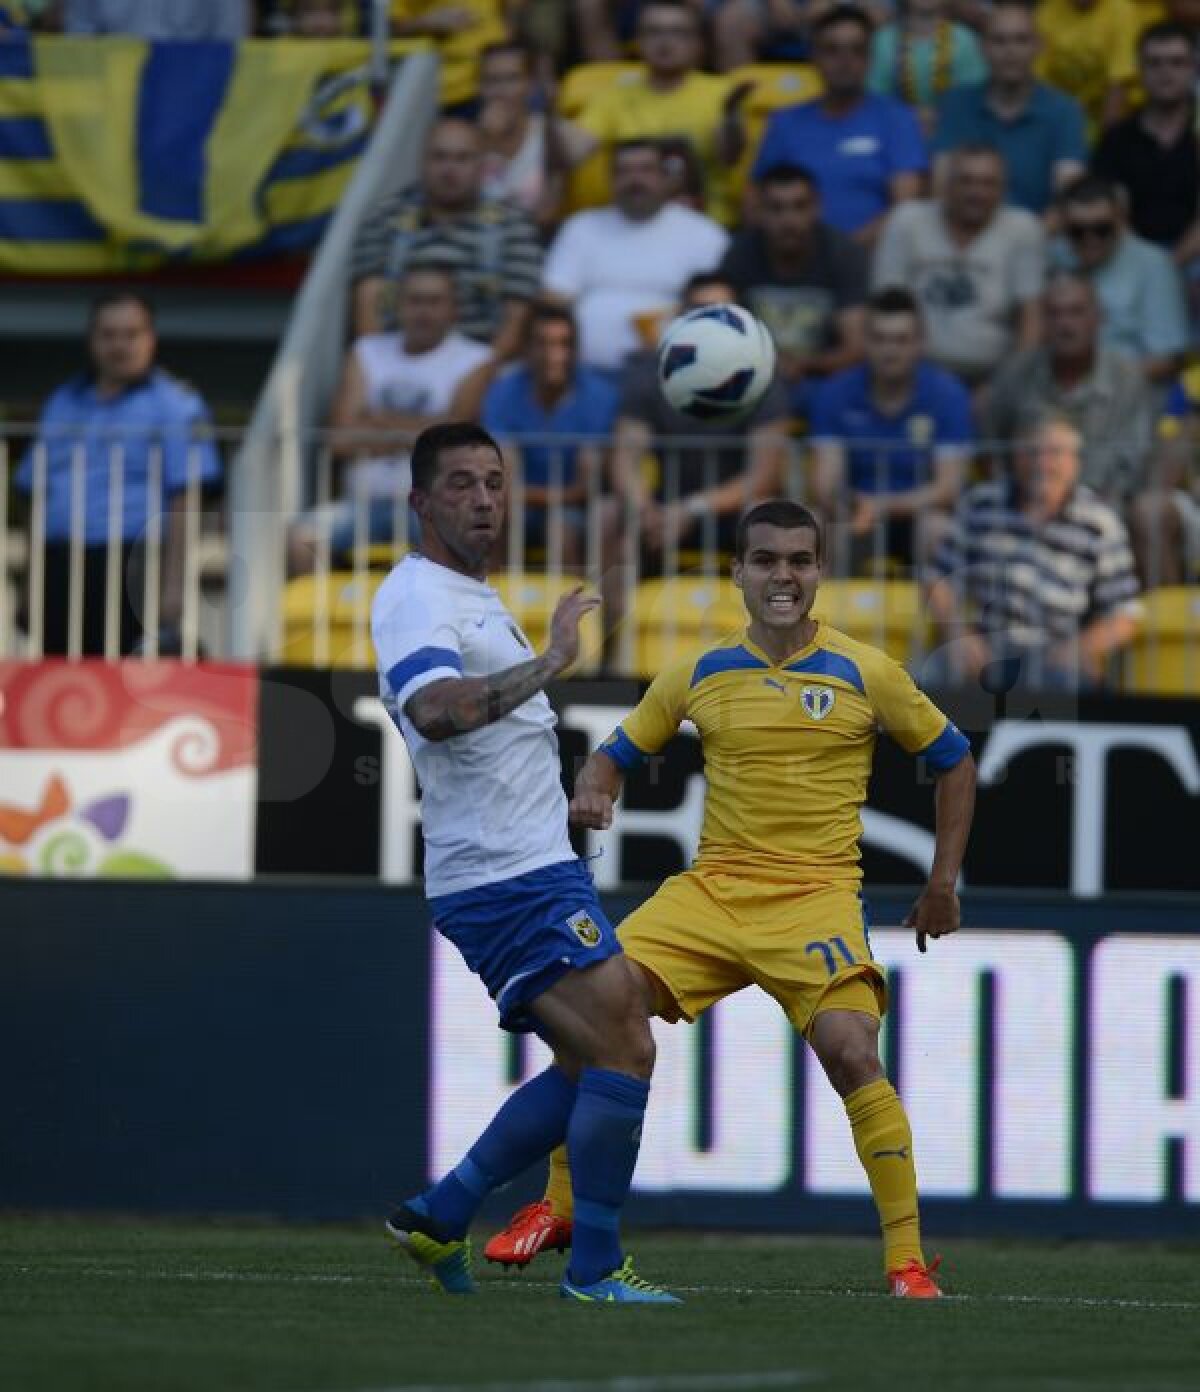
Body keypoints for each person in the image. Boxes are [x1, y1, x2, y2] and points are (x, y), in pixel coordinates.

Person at [484, 496, 977, 1300]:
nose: (784, 576)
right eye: (767, 561)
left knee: (853, 1051)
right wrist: (593, 787)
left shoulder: (867, 670)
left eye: (800, 561)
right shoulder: (700, 672)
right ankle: (562, 1206)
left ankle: (907, 1261)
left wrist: (942, 883)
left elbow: (955, 761)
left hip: (814, 897)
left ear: (820, 571)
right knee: (594, 1013)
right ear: (737, 573)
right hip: (712, 892)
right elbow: (614, 754)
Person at [370, 421, 678, 1305]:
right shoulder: (418, 598)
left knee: (595, 1057)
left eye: (495, 482)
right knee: (625, 1038)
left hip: (533, 863)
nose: (483, 499)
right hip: (503, 876)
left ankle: (441, 1212)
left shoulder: (467, 592)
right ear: (421, 502)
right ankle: (593, 1269)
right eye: (461, 483)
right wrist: (549, 663)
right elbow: (433, 711)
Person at [15, 291, 221, 656]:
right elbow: (38, 495)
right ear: (91, 340)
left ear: (150, 338)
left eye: (131, 334)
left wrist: (173, 587)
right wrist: (30, 584)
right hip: (62, 564)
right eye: (108, 334)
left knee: (129, 682)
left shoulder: (176, 405)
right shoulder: (62, 401)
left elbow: (186, 499)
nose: (119, 345)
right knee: (63, 678)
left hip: (135, 565)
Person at [289, 263, 493, 574]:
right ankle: (320, 623)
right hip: (360, 505)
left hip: (435, 509)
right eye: (415, 301)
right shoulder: (366, 351)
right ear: (398, 306)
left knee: (452, 541)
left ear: (453, 309)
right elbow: (340, 439)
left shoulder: (475, 358)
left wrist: (375, 421)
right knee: (301, 540)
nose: (423, 311)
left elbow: (455, 445)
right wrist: (423, 433)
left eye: (434, 301)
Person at [926, 412, 1142, 690]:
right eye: (1032, 452)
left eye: (1055, 453)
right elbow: (937, 579)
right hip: (987, 643)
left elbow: (1125, 613)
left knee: (1072, 688)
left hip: (1055, 649)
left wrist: (1078, 649)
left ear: (1075, 463)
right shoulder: (982, 504)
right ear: (1015, 458)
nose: (1043, 463)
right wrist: (959, 634)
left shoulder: (1099, 522)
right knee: (931, 679)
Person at [810, 286, 971, 575]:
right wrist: (851, 505)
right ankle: (822, 619)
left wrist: (882, 506)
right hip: (855, 516)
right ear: (866, 342)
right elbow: (825, 483)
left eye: (901, 340)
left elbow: (948, 487)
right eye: (880, 339)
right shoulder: (834, 392)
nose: (890, 350)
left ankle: (941, 619)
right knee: (816, 529)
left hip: (919, 517)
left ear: (920, 343)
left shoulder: (949, 395)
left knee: (937, 528)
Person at [349, 117, 543, 353]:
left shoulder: (514, 226)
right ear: (422, 162)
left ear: (482, 165)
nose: (449, 169)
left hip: (485, 368)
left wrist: (473, 381)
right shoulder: (384, 219)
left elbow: (517, 322)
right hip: (396, 364)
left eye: (462, 158)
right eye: (439, 157)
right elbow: (369, 310)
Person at [541, 139, 729, 376]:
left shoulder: (704, 234)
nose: (635, 180)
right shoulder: (581, 227)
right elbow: (553, 299)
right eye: (624, 171)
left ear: (665, 177)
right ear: (611, 180)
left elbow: (719, 309)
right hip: (584, 373)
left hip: (675, 374)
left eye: (646, 170)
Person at [750, 4, 928, 247]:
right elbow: (754, 204)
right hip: (793, 262)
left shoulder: (897, 119)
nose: (845, 61)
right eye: (832, 50)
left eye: (857, 50)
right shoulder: (784, 121)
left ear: (870, 59)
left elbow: (904, 208)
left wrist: (843, 255)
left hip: (872, 261)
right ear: (813, 57)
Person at [560, 0, 748, 228]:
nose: (665, 41)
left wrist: (730, 118)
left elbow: (729, 156)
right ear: (638, 41)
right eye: (653, 31)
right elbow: (571, 153)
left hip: (705, 226)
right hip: (631, 227)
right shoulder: (612, 98)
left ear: (698, 43)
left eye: (678, 32)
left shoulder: (722, 94)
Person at [872, 143, 1045, 390]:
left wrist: (1005, 389)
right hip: (914, 375)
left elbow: (1032, 324)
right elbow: (884, 309)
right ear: (946, 185)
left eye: (988, 183)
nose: (976, 192)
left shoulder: (1023, 230)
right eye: (967, 181)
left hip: (993, 376)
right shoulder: (906, 221)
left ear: (1003, 190)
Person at [982, 272, 1157, 501]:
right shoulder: (1015, 374)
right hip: (1028, 506)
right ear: (1043, 322)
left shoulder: (1128, 380)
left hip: (1107, 509)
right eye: (1055, 314)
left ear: (1098, 317)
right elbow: (994, 449)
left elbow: (1135, 463)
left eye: (1076, 312)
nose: (1065, 324)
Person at [717, 161, 868, 417]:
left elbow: (855, 348)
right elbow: (723, 339)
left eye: (799, 207)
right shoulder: (739, 255)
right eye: (776, 209)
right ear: (760, 212)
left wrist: (803, 364)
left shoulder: (843, 253)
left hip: (824, 380)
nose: (788, 220)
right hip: (755, 378)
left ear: (817, 207)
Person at [482, 303, 619, 568]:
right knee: (491, 518)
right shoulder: (502, 392)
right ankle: (492, 605)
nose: (552, 355)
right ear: (526, 348)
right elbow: (501, 479)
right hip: (515, 506)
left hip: (576, 509)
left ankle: (576, 609)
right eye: (542, 343)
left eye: (562, 344)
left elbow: (584, 489)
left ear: (575, 350)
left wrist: (525, 495)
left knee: (561, 531)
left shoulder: (599, 396)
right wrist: (520, 496)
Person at [930, 0, 1087, 217]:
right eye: (999, 41)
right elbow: (942, 190)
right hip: (963, 233)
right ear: (982, 48)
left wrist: (1025, 243)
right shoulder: (955, 103)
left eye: (1021, 40)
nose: (1010, 51)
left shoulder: (1065, 111)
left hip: (1036, 238)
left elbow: (1067, 200)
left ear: (1039, 46)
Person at [1050, 174, 1189, 386]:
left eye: (1102, 229)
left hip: (1129, 391)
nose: (1090, 239)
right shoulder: (1055, 257)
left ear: (1121, 221)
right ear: (1063, 227)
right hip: (1062, 387)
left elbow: (1167, 359)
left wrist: (1096, 384)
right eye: (1077, 231)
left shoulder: (1153, 264)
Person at [1091, 23, 1200, 255]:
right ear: (1139, 69)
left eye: (1177, 62)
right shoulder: (1116, 139)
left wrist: (1171, 264)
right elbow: (1108, 210)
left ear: (1194, 69)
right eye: (1154, 63)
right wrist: (1147, 265)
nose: (1165, 72)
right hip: (1130, 253)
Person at [868, 0, 987, 131]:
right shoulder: (884, 40)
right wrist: (911, 116)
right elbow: (875, 98)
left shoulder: (965, 40)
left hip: (954, 131)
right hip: (894, 129)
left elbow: (972, 99)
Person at [1033, 0, 1141, 139]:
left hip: (1106, 114)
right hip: (1059, 113)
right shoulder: (1047, 11)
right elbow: (1038, 80)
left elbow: (1120, 82)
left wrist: (1107, 141)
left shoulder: (1122, 10)